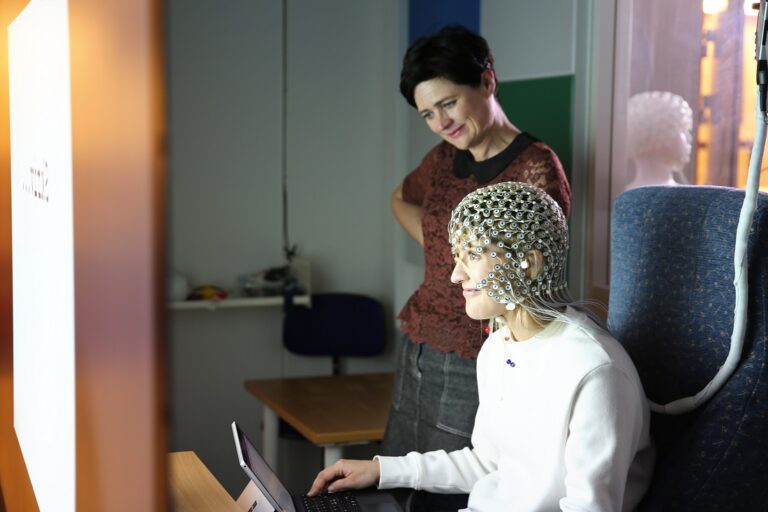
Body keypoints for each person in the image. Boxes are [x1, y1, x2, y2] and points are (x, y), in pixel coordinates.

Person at [309, 182, 654, 512]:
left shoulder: (595, 371)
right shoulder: (498, 346)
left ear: (529, 263)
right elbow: (487, 462)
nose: (455, 276)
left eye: (472, 255)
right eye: (458, 257)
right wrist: (381, 470)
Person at [385, 24, 572, 462]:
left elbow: (536, 276)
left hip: (480, 355)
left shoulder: (535, 170)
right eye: (428, 114)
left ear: (487, 81)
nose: (441, 122)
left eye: (448, 103)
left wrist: (464, 260)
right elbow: (400, 199)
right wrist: (444, 248)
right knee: (398, 470)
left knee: (452, 482)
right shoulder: (443, 159)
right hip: (418, 340)